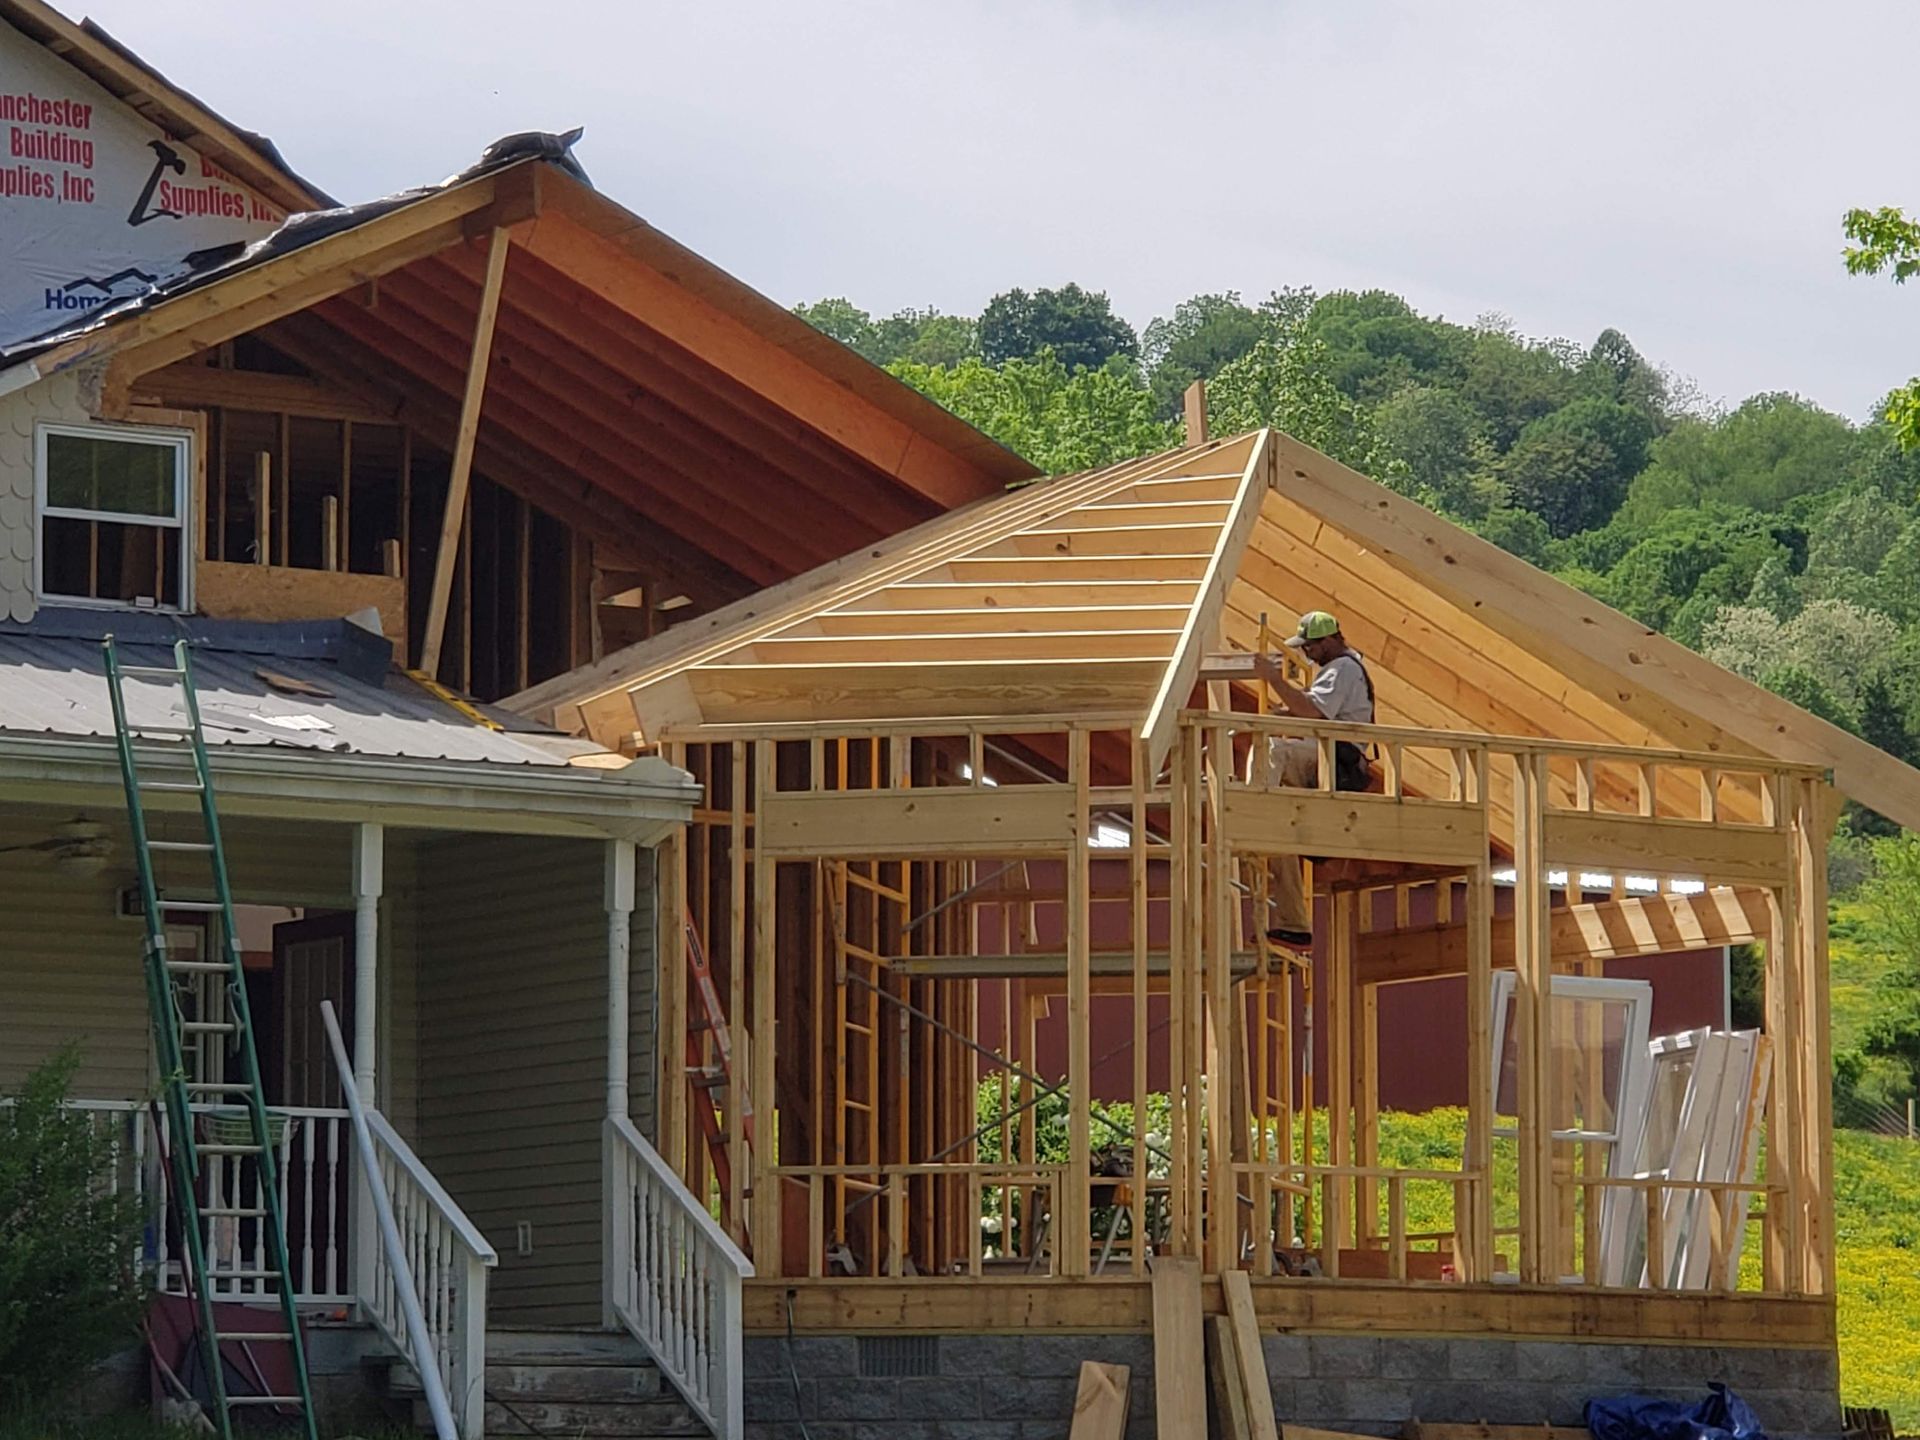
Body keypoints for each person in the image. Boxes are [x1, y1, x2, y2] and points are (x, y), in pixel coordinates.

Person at [1258, 610, 1374, 949]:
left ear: (1329, 641)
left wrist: (1274, 680)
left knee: (1272, 747)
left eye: (1310, 647)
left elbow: (1314, 713)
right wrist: (1287, 710)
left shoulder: (1343, 668)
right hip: (1325, 757)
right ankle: (1294, 924)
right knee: (1280, 838)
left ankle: (1253, 801)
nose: (1307, 653)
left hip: (1335, 760)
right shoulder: (1340, 669)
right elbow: (1312, 710)